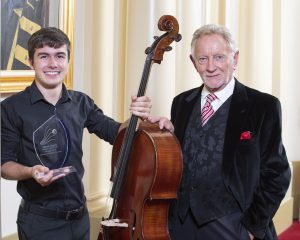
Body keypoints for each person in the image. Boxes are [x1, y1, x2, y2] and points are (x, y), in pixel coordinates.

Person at [1, 27, 153, 240]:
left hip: (80, 219)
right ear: (30, 61)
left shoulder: (81, 102)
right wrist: (30, 172)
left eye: (60, 56)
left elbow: (115, 133)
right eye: (44, 56)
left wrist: (139, 119)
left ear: (68, 60)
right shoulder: (11, 108)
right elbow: (5, 165)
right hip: (39, 223)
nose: (53, 64)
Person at [165, 24, 291, 240]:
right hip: (181, 224)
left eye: (219, 57)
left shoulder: (262, 106)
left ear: (235, 59)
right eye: (203, 59)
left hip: (233, 224)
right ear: (193, 62)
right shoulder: (181, 103)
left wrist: (252, 227)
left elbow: (277, 174)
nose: (211, 66)